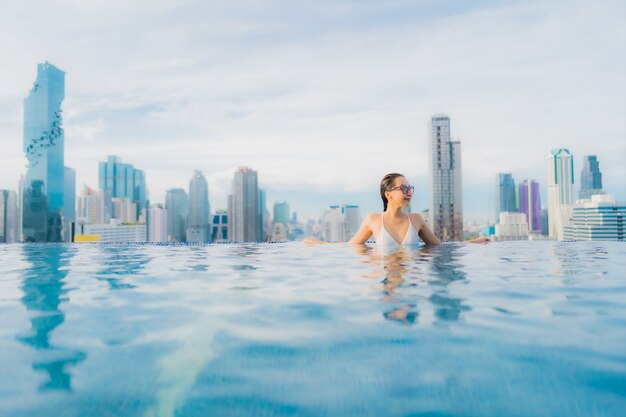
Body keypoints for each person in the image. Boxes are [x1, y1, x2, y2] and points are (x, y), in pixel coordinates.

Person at [304, 172, 489, 246]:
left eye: (410, 189)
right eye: (404, 189)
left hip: (412, 280)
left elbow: (439, 247)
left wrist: (475, 242)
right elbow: (350, 246)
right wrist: (316, 244)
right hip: (386, 279)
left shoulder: (416, 219)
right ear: (389, 194)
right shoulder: (373, 220)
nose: (409, 192)